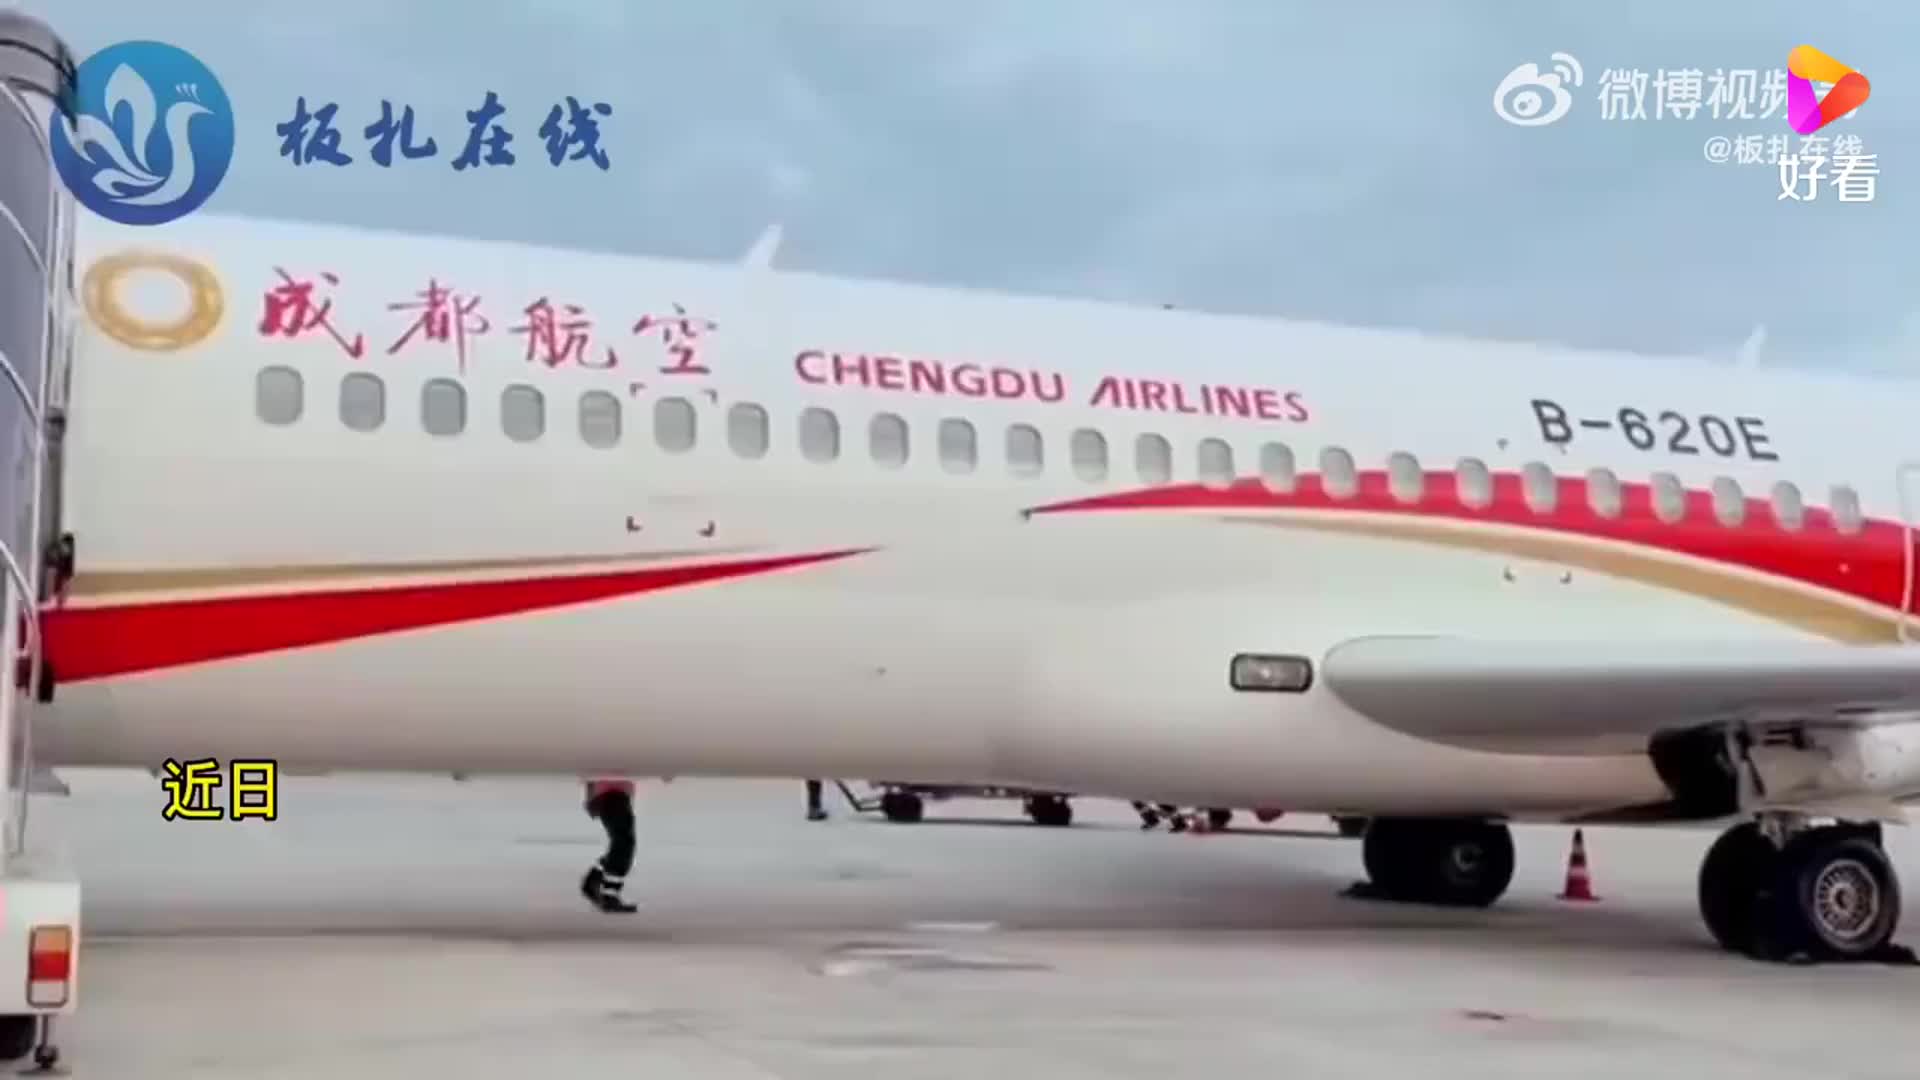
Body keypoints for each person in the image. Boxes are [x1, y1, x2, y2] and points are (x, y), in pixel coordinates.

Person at [581, 776, 638, 913]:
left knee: (621, 843)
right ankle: (609, 894)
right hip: (612, 793)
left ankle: (594, 881)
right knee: (623, 844)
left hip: (613, 794)